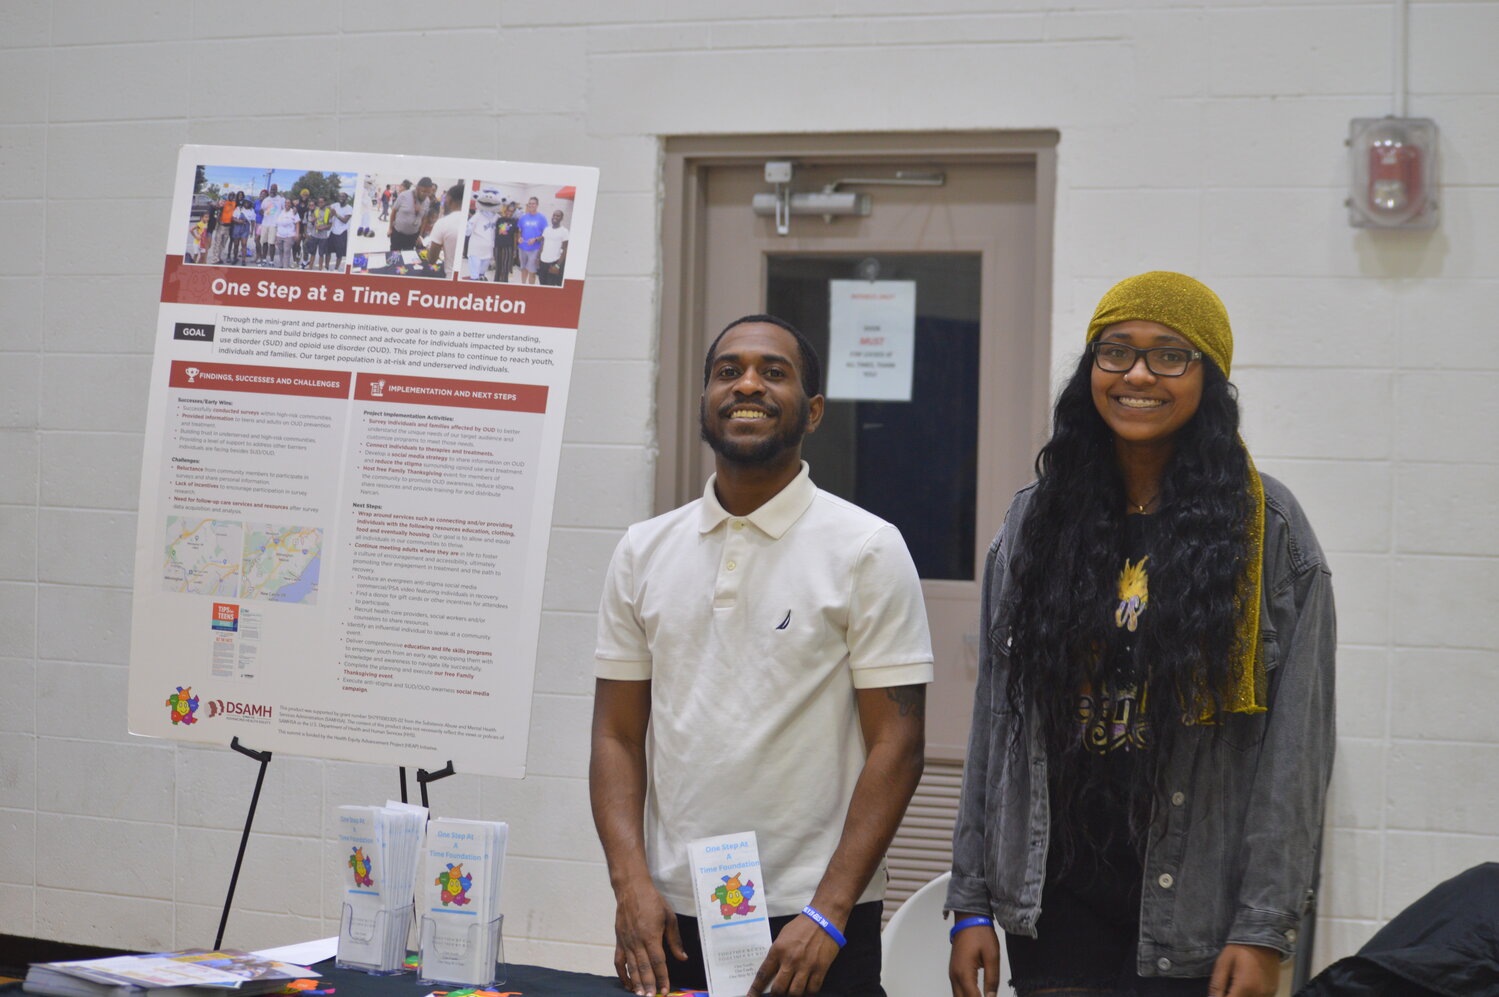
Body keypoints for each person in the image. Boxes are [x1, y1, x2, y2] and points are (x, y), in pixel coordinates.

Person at [946, 272, 1336, 997]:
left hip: (1194, 914)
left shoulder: (1270, 532)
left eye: (1168, 355)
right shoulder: (1036, 522)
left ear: (1208, 378)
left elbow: (1295, 754)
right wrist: (969, 900)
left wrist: (1261, 929)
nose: (1136, 374)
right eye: (1115, 350)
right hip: (1052, 901)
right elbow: (995, 722)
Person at [592, 316, 933, 997]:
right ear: (705, 400)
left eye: (772, 371)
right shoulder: (642, 549)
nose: (747, 383)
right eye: (728, 370)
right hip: (669, 915)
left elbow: (898, 743)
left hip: (809, 924)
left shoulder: (865, 547)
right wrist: (632, 885)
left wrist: (829, 911)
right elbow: (615, 735)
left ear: (811, 411)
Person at [422, 183, 465, 272]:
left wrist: (429, 245)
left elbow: (432, 259)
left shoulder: (443, 223)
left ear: (449, 199)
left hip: (450, 275)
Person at [389, 176, 434, 253]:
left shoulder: (427, 201)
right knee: (394, 257)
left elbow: (424, 219)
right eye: (423, 191)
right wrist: (390, 228)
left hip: (412, 236)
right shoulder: (404, 195)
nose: (425, 195)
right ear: (417, 188)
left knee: (407, 258)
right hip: (398, 234)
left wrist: (419, 235)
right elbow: (393, 212)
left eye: (428, 193)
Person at [516, 196, 547, 284]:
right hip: (522, 248)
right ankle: (523, 285)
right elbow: (520, 230)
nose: (531, 205)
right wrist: (519, 237)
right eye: (530, 203)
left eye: (533, 203)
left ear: (537, 205)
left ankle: (530, 289)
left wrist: (536, 239)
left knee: (532, 271)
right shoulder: (523, 217)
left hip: (534, 249)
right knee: (523, 269)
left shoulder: (542, 218)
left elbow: (545, 235)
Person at [538, 208, 570, 286]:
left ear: (561, 218)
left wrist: (557, 265)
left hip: (553, 263)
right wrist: (538, 258)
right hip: (543, 262)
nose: (555, 217)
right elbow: (542, 244)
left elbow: (565, 249)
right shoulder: (547, 229)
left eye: (558, 216)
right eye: (554, 215)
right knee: (542, 284)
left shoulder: (564, 231)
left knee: (550, 286)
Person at [492, 201, 519, 283]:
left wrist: (514, 250)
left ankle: (504, 283)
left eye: (512, 211)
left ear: (513, 212)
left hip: (508, 247)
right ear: (505, 210)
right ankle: (496, 283)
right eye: (508, 210)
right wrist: (493, 246)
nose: (509, 213)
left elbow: (515, 237)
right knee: (498, 267)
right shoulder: (499, 220)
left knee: (506, 267)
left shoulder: (514, 222)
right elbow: (495, 233)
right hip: (498, 246)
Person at [273, 193, 300, 269]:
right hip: (279, 235)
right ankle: (281, 264)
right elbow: (277, 224)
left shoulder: (294, 212)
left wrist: (297, 234)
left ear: (291, 204)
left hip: (289, 236)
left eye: (288, 203)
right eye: (286, 202)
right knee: (281, 251)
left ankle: (285, 267)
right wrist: (276, 236)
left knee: (286, 251)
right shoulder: (281, 212)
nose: (287, 204)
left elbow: (297, 223)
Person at [327, 192, 351, 270]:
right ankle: (326, 268)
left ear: (346, 198)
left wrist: (335, 214)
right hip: (333, 231)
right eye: (340, 196)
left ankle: (336, 269)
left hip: (342, 233)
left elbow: (345, 220)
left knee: (339, 253)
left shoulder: (349, 208)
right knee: (328, 251)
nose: (341, 198)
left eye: (343, 196)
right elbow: (327, 207)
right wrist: (330, 213)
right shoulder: (335, 205)